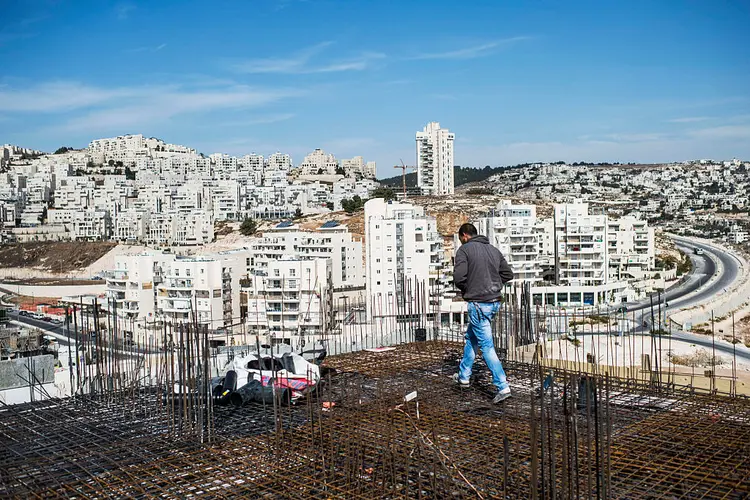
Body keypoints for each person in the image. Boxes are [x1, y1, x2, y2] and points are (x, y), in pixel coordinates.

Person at [452, 223, 515, 403]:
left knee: (487, 347)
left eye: (460, 239)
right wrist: (493, 284)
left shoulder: (465, 250)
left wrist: (470, 288)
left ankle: (502, 386)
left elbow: (458, 278)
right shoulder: (493, 250)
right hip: (494, 301)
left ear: (464, 235)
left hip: (478, 304)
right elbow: (507, 275)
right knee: (472, 339)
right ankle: (463, 376)